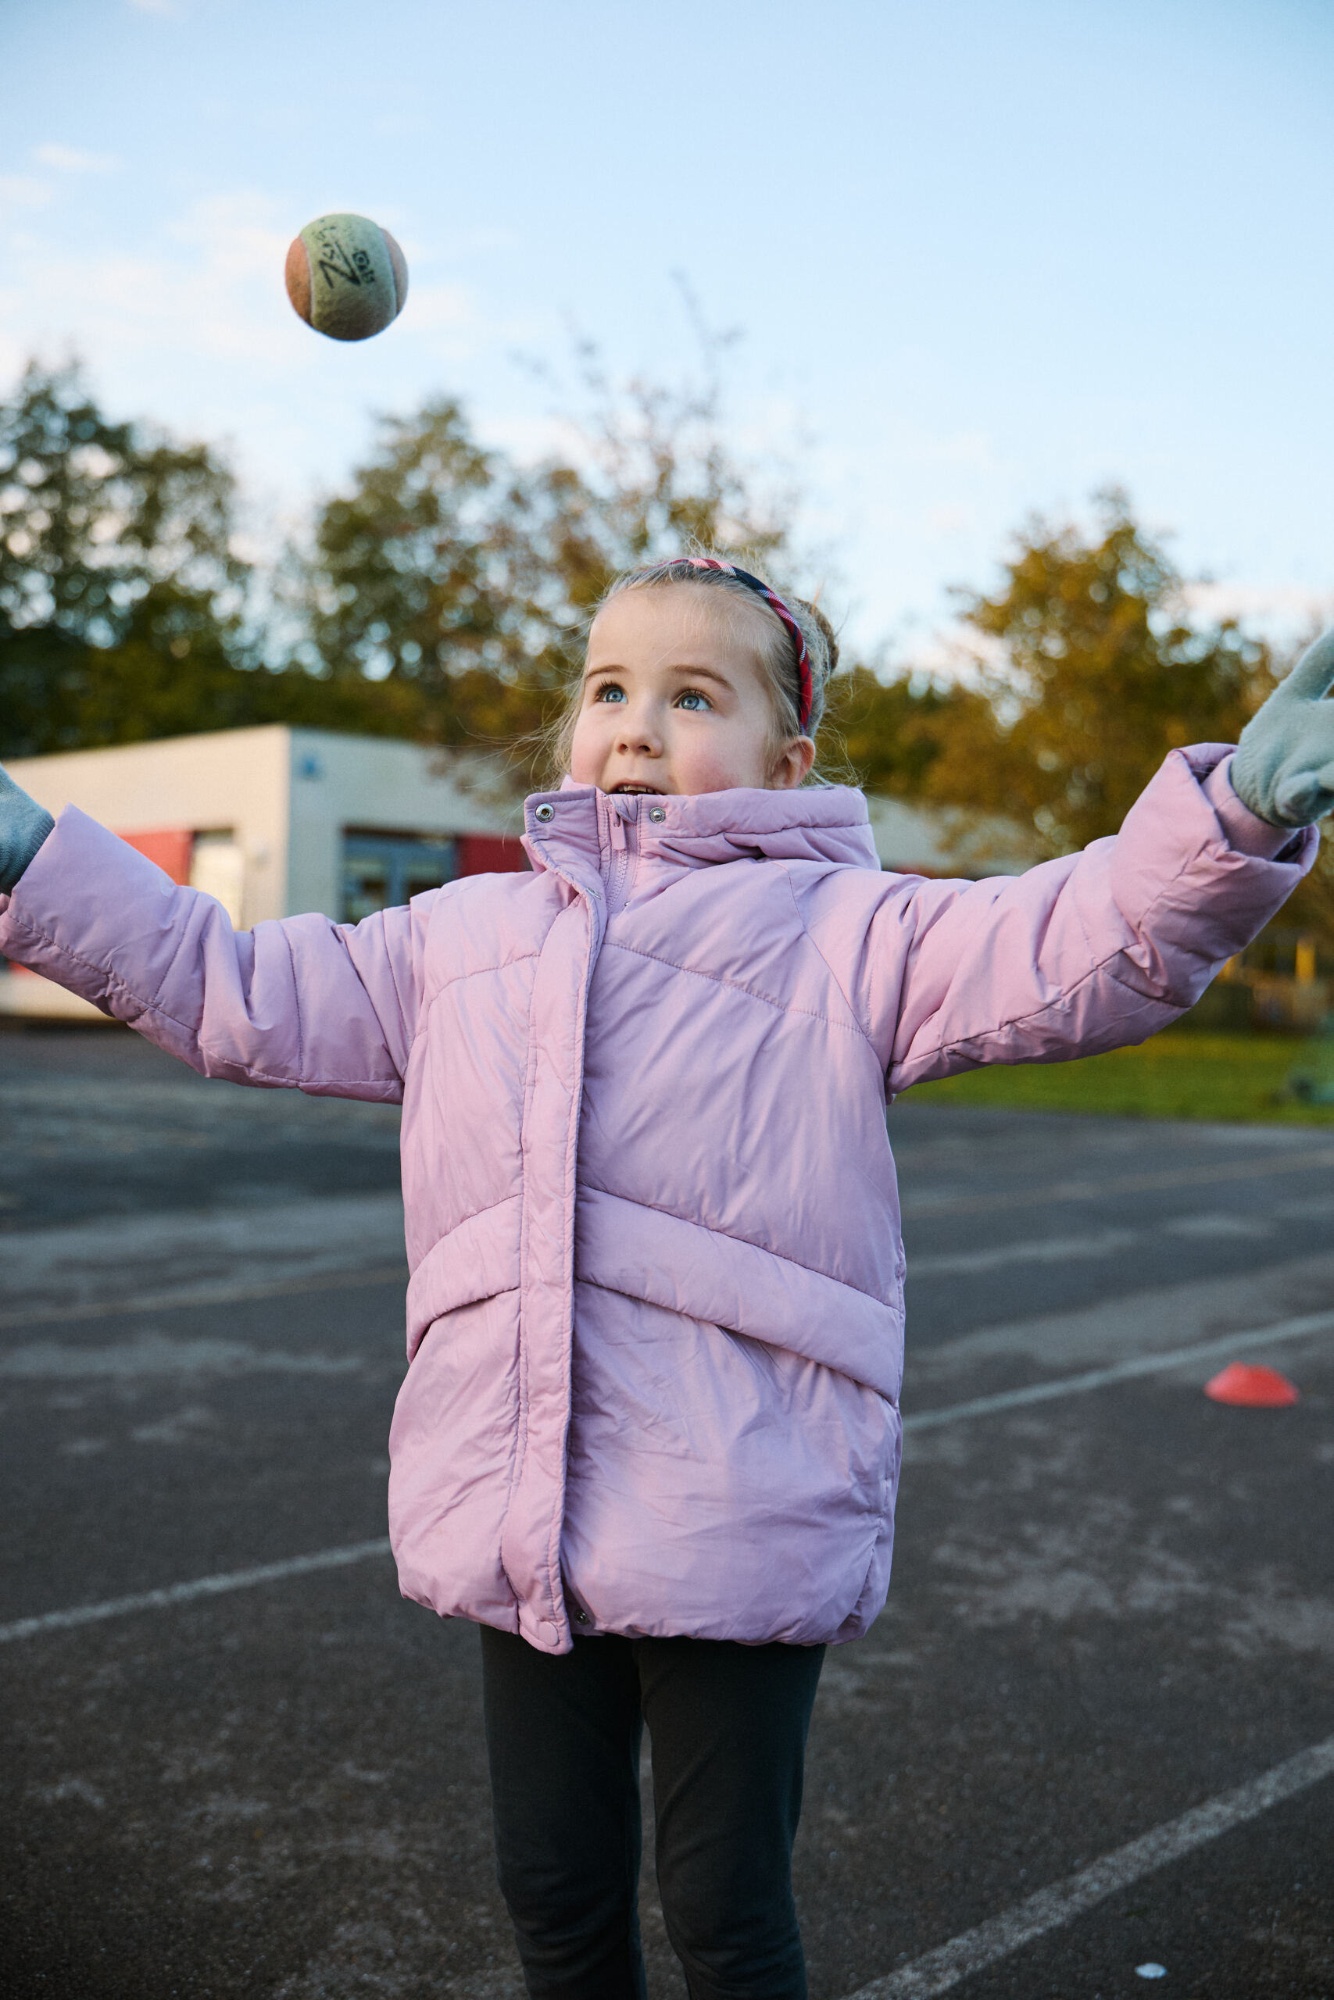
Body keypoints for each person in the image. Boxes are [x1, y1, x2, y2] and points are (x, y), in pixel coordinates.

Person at [1, 554, 1330, 2000]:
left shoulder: (855, 934)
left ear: (786, 756)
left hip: (737, 1502)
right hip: (523, 1506)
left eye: (693, 695)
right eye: (607, 686)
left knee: (724, 1909)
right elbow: (224, 982)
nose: (634, 721)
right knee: (553, 1894)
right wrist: (27, 858)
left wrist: (1233, 813)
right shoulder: (459, 941)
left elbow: (1080, 936)